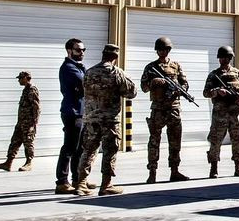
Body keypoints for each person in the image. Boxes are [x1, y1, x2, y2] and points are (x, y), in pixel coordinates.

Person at [74, 44, 136, 196]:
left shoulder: (89, 72)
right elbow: (131, 92)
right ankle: (106, 184)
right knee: (110, 151)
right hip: (110, 120)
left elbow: (84, 90)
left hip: (91, 119)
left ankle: (80, 183)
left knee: (88, 150)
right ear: (115, 57)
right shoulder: (116, 72)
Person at [140, 36, 189, 183]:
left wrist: (180, 90)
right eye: (160, 50)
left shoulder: (175, 66)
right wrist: (154, 82)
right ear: (157, 51)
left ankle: (174, 171)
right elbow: (143, 87)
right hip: (158, 109)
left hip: (173, 108)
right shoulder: (151, 67)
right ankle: (152, 172)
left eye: (165, 49)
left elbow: (185, 84)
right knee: (154, 141)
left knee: (175, 141)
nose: (163, 52)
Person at [203, 45, 239, 179]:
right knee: (215, 140)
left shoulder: (238, 74)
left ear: (230, 58)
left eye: (226, 58)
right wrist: (216, 91)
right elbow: (205, 92)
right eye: (221, 58)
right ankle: (214, 167)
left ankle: (238, 165)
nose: (223, 60)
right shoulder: (214, 75)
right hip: (220, 114)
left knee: (238, 139)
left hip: (235, 113)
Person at [56, 38, 90, 194]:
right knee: (69, 147)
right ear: (69, 51)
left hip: (79, 111)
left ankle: (78, 180)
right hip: (72, 112)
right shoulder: (69, 68)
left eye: (83, 50)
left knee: (79, 148)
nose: (81, 53)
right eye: (78, 50)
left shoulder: (78, 66)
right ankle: (62, 182)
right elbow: (86, 83)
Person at [0, 71, 41, 172]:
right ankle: (8, 162)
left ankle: (29, 162)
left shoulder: (32, 89)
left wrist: (34, 122)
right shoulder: (26, 90)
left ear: (26, 78)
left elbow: (36, 106)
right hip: (21, 122)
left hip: (28, 123)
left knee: (28, 142)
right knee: (15, 141)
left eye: (20, 78)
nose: (19, 80)